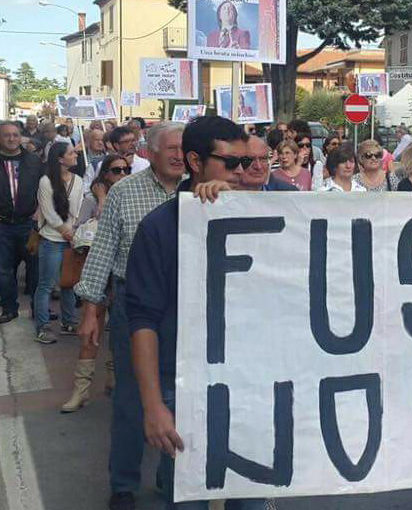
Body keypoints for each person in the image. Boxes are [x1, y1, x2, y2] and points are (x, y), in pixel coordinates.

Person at [126, 115, 267, 510]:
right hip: (183, 388)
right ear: (194, 161)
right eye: (231, 163)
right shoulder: (159, 228)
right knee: (185, 499)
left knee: (251, 502)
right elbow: (143, 321)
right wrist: (154, 407)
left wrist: (235, 209)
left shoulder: (272, 214)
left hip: (253, 387)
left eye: (249, 162)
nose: (243, 172)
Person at [74, 121, 186, 510]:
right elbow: (103, 250)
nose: (177, 154)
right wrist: (91, 309)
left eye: (183, 148)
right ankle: (123, 483)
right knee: (131, 398)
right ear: (150, 153)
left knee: (181, 397)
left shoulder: (201, 191)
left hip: (185, 305)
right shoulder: (125, 191)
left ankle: (173, 480)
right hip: (131, 305)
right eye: (169, 148)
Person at [60, 154, 130, 412]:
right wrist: (102, 198)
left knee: (119, 332)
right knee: (90, 333)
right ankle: (81, 391)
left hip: (121, 274)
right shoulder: (92, 198)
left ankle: (113, 381)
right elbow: (80, 228)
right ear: (104, 174)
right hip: (96, 271)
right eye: (116, 170)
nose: (122, 174)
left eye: (126, 169)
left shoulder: (132, 194)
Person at [33, 142, 82, 344]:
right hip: (52, 239)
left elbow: (77, 209)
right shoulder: (46, 181)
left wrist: (72, 232)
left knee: (69, 283)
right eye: (71, 153)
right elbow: (48, 211)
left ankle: (69, 321)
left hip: (70, 239)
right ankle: (42, 327)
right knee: (45, 284)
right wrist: (64, 231)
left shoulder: (78, 180)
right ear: (60, 158)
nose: (76, 155)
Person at [0, 121, 44, 324]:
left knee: (35, 268)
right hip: (2, 226)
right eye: (6, 135)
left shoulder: (33, 161)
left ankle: (39, 309)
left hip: (28, 224)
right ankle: (9, 308)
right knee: (4, 269)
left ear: (21, 137)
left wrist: (39, 212)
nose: (11, 139)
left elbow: (45, 188)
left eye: (15, 135)